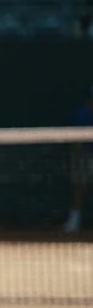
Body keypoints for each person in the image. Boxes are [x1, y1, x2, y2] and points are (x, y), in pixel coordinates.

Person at [63, 90, 93, 233]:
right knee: (79, 187)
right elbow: (75, 140)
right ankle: (74, 221)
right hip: (84, 155)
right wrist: (75, 158)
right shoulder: (81, 115)